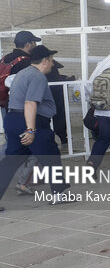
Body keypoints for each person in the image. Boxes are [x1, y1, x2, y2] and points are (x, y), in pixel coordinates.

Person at [0, 45, 73, 210]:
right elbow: (30, 103)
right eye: (52, 61)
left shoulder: (22, 73)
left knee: (11, 161)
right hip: (29, 121)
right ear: (45, 61)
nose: (53, 65)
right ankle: (60, 194)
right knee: (51, 156)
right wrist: (31, 130)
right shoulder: (37, 76)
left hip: (13, 119)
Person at [0, 30, 41, 117]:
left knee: (10, 129)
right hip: (21, 107)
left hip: (5, 103)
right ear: (27, 44)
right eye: (34, 42)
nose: (35, 45)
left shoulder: (4, 59)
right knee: (27, 129)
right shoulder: (26, 61)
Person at [46, 60, 75, 145]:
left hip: (52, 102)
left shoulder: (45, 76)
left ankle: (61, 137)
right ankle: (63, 137)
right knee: (60, 118)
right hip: (57, 100)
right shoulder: (52, 76)